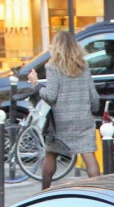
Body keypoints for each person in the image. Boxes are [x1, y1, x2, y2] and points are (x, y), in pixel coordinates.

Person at [28, 31, 101, 190]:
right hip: (83, 119)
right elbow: (93, 95)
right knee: (89, 155)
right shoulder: (83, 65)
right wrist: (94, 109)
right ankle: (99, 191)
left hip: (60, 122)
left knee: (51, 154)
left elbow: (51, 96)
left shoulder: (52, 66)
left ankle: (45, 191)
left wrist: (36, 84)